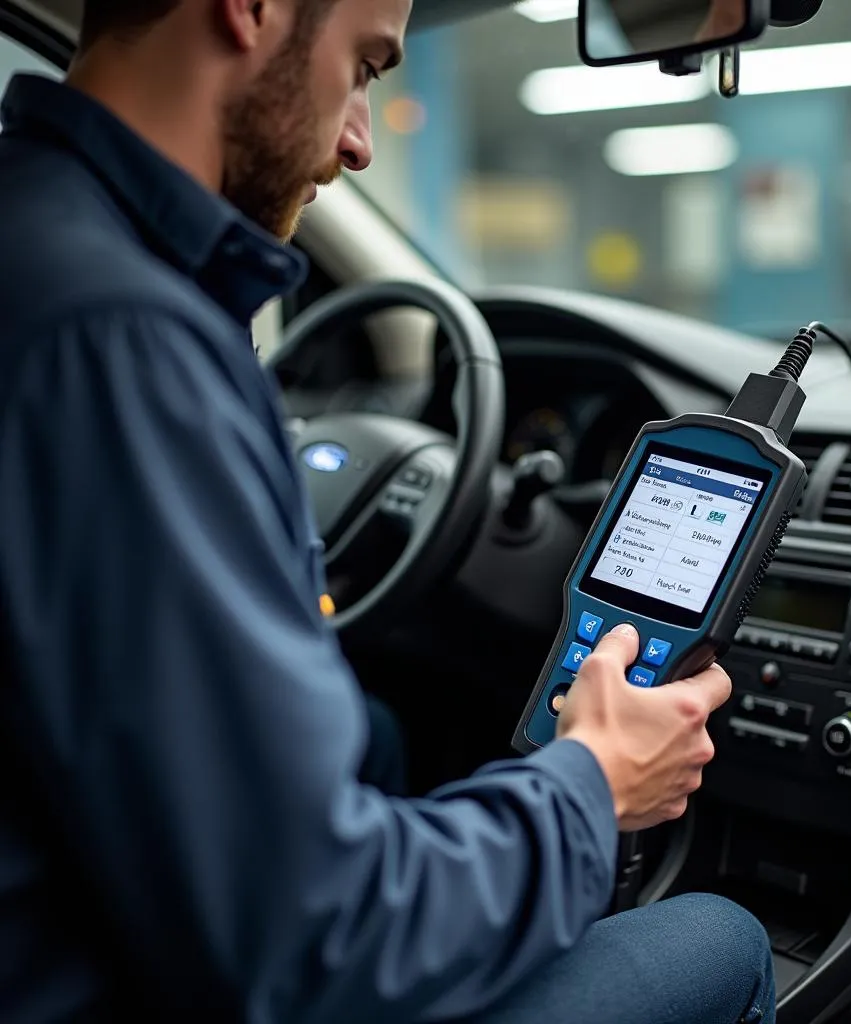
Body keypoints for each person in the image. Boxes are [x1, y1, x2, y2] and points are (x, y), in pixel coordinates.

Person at [0, 1, 776, 1021]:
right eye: (365, 67)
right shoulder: (125, 341)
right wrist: (595, 782)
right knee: (725, 940)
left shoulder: (35, 234)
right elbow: (316, 940)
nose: (362, 140)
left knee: (377, 739)